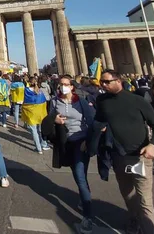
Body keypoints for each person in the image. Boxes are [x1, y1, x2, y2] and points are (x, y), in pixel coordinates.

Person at [95, 70, 154, 234]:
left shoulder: (137, 100)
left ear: (118, 80)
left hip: (140, 157)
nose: (103, 85)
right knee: (127, 193)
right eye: (101, 82)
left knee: (145, 199)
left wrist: (153, 145)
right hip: (119, 157)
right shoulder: (102, 100)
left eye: (106, 82)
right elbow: (98, 121)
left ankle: (148, 230)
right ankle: (133, 219)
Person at [44, 76, 95, 233]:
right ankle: (84, 195)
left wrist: (89, 140)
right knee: (78, 174)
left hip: (81, 141)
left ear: (72, 87)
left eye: (66, 85)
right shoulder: (54, 101)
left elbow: (92, 121)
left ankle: (88, 217)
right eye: (61, 85)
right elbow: (48, 119)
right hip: (66, 142)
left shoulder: (81, 101)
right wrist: (55, 121)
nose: (63, 87)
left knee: (80, 175)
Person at [22, 81, 50, 153]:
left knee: (34, 131)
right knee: (41, 130)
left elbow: (24, 101)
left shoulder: (26, 91)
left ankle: (38, 148)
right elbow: (44, 102)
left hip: (31, 114)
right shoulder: (40, 91)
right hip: (40, 113)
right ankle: (44, 144)